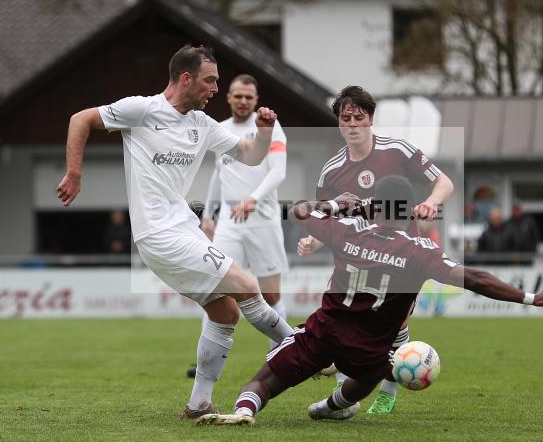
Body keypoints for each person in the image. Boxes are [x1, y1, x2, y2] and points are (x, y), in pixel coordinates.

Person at [193, 176, 543, 427]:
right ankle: (329, 408)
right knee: (368, 377)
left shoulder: (347, 230)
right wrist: (529, 297)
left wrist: (337, 203)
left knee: (266, 380)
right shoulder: (421, 251)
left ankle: (244, 410)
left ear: (375, 207)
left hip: (324, 331)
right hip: (370, 348)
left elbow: (301, 211)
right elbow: (474, 278)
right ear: (408, 211)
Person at [56, 45, 294, 420]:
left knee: (226, 312)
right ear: (186, 78)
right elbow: (80, 119)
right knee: (247, 285)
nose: (216, 89)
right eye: (210, 80)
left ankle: (198, 404)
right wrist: (74, 172)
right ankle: (301, 346)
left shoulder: (202, 124)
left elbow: (251, 155)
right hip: (158, 234)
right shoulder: (142, 110)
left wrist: (263, 133)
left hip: (185, 228)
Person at [297, 85, 455, 415]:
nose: (353, 123)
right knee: (343, 323)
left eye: (359, 117)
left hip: (400, 256)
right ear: (338, 123)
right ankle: (343, 393)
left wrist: (430, 202)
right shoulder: (332, 170)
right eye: (346, 118)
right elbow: (324, 214)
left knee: (394, 324)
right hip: (354, 259)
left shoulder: (396, 151)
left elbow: (444, 182)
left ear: (370, 119)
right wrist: (314, 240)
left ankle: (388, 388)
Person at [201, 74, 289, 348]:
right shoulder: (221, 129)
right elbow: (219, 173)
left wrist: (252, 199)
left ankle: (281, 352)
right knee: (218, 291)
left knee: (271, 294)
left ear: (256, 100)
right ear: (228, 97)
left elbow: (278, 172)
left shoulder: (269, 127)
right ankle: (208, 354)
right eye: (237, 96)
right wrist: (208, 215)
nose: (242, 101)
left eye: (248, 97)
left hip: (263, 219)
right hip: (229, 223)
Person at [507, 200, 539, 266]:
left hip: (527, 256)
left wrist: (532, 252)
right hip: (511, 258)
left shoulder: (529, 222)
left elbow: (535, 238)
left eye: (518, 209)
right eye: (514, 209)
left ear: (521, 210)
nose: (516, 211)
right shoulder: (507, 223)